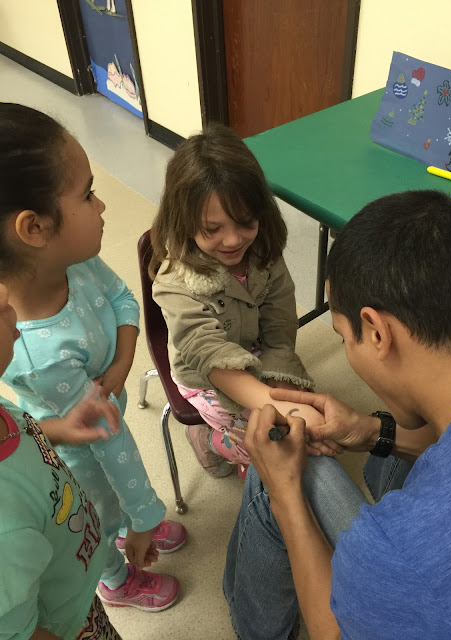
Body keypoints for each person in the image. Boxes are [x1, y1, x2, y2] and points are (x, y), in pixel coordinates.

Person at [224, 190, 451, 639]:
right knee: (388, 452)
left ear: (377, 331)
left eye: (344, 336)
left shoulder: (398, 553)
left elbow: (336, 632)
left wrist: (284, 493)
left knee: (281, 477)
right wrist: (369, 431)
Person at [0, 104, 186, 612]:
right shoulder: (41, 355)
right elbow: (108, 439)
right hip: (81, 459)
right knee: (95, 521)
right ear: (35, 228)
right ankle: (116, 580)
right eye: (87, 194)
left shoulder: (73, 261)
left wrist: (122, 366)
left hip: (106, 420)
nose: (102, 205)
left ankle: (131, 522)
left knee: (118, 496)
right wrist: (145, 515)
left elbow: (124, 298)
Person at [149, 124, 333, 478]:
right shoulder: (174, 282)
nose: (233, 240)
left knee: (287, 429)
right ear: (183, 221)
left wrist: (284, 391)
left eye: (245, 222)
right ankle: (207, 439)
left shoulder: (264, 253)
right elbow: (208, 353)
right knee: (260, 446)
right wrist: (279, 407)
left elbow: (280, 325)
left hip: (254, 353)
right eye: (212, 229)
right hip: (206, 375)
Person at [0, 282, 122, 639]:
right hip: (66, 627)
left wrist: (60, 430)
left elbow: (18, 436)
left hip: (74, 591)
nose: (4, 291)